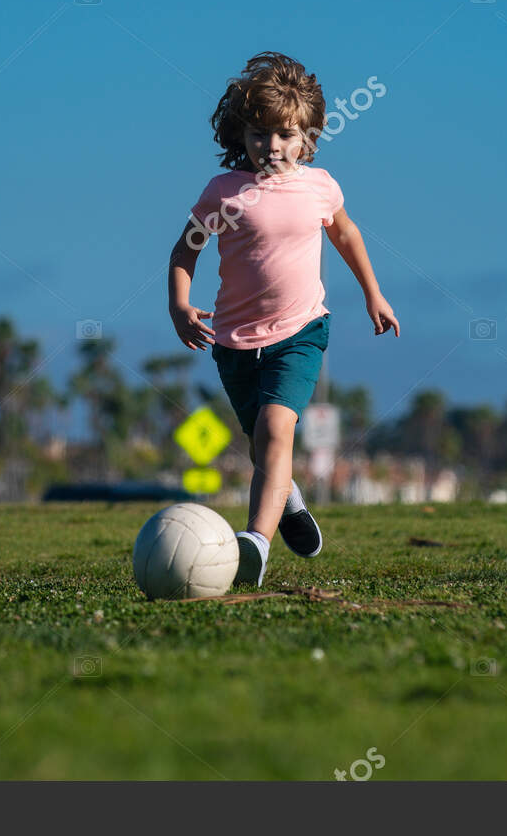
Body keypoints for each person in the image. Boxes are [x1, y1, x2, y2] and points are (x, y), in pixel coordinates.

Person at [167, 51, 400, 587]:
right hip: (233, 342)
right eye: (259, 134)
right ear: (241, 134)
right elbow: (185, 253)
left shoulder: (320, 186)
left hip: (301, 332)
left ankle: (255, 544)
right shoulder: (223, 193)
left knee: (277, 428)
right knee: (263, 446)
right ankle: (288, 498)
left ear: (308, 137)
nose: (272, 146)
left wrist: (374, 293)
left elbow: (345, 234)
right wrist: (180, 305)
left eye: (286, 135)